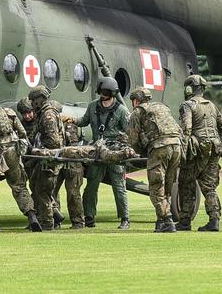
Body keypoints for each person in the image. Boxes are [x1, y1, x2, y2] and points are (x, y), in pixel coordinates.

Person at [0, 88, 41, 232]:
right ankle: (32, 216)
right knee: (19, 185)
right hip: (12, 151)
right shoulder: (8, 113)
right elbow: (22, 133)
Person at [71, 77, 131, 230]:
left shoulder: (121, 111)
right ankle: (89, 216)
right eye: (101, 92)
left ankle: (125, 218)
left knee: (119, 186)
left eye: (105, 92)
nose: (102, 95)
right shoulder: (92, 107)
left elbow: (129, 131)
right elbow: (83, 121)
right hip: (97, 151)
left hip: (114, 152)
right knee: (92, 184)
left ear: (111, 93)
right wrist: (70, 120)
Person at [176, 75, 222, 232]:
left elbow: (186, 129)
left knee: (186, 183)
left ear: (188, 89)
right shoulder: (211, 105)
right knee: (209, 187)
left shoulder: (188, 105)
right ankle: (214, 220)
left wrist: (182, 150)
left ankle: (185, 221)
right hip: (214, 149)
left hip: (197, 151)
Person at [128, 87, 182, 233]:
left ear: (136, 100)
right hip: (177, 146)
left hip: (159, 148)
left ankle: (167, 220)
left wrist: (142, 152)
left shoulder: (137, 112)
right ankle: (160, 221)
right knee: (167, 187)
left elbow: (133, 139)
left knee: (156, 187)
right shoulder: (162, 108)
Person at [28, 85, 64, 230]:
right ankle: (54, 214)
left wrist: (37, 149)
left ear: (38, 100)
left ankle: (47, 223)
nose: (32, 104)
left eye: (33, 101)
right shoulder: (44, 113)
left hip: (49, 158)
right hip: (46, 158)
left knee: (43, 191)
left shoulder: (48, 115)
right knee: (37, 186)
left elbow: (53, 141)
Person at [52, 115, 85, 229]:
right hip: (59, 162)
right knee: (53, 191)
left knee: (73, 193)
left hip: (72, 163)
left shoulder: (69, 127)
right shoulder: (52, 125)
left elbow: (72, 145)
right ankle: (55, 219)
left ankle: (78, 222)